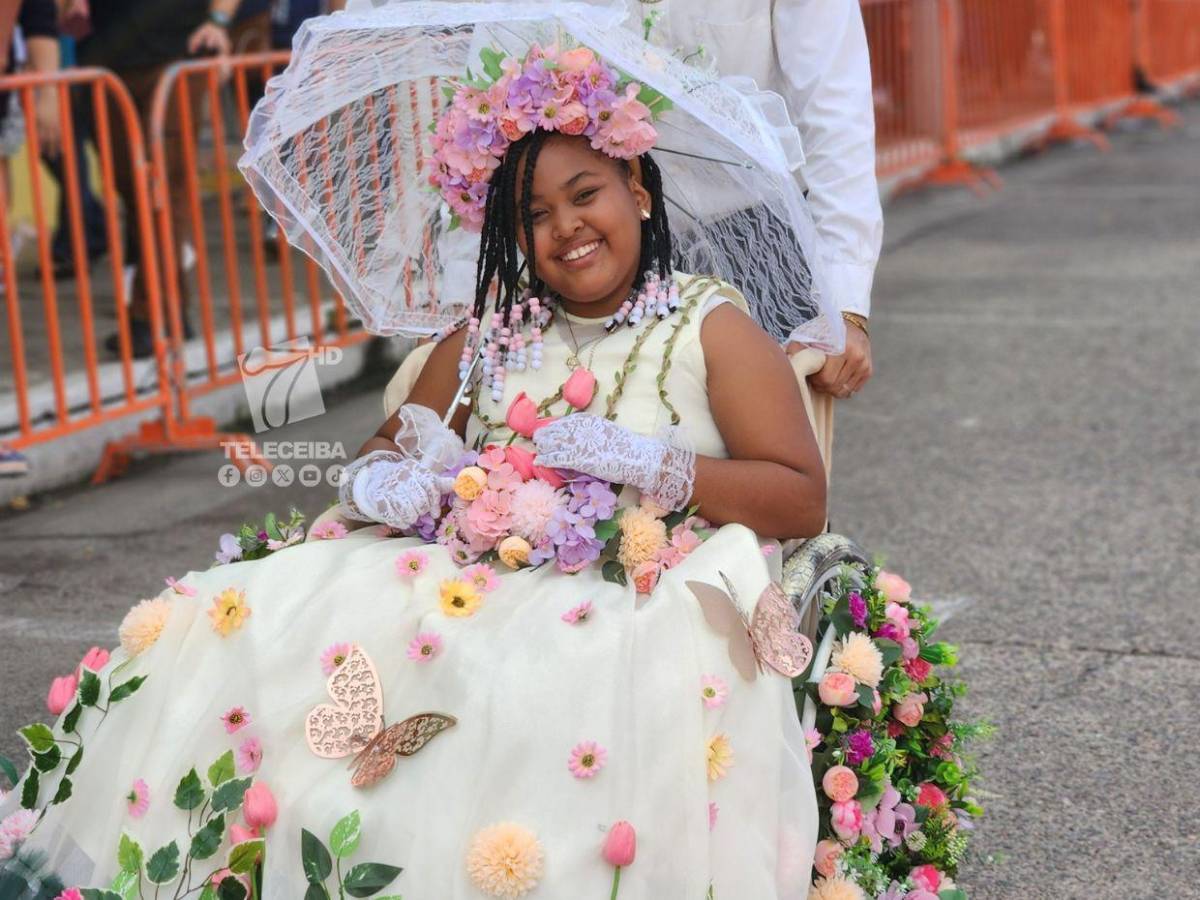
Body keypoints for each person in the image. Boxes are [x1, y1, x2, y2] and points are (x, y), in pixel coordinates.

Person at [0, 38, 825, 898]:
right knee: (246, 615)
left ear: (639, 192)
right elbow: (384, 452)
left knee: (535, 664)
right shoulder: (492, 333)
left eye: (586, 195)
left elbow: (803, 498)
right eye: (534, 215)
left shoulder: (708, 324)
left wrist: (653, 463)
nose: (567, 228)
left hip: (631, 599)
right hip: (473, 581)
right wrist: (399, 477)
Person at [636, 0, 883, 400]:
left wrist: (844, 306)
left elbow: (836, 111)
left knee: (773, 430)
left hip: (759, 241)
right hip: (612, 241)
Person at [78, 0, 244, 358]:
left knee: (163, 189)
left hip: (178, 55)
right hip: (108, 58)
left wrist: (218, 21)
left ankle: (147, 318)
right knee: (134, 190)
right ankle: (174, 310)